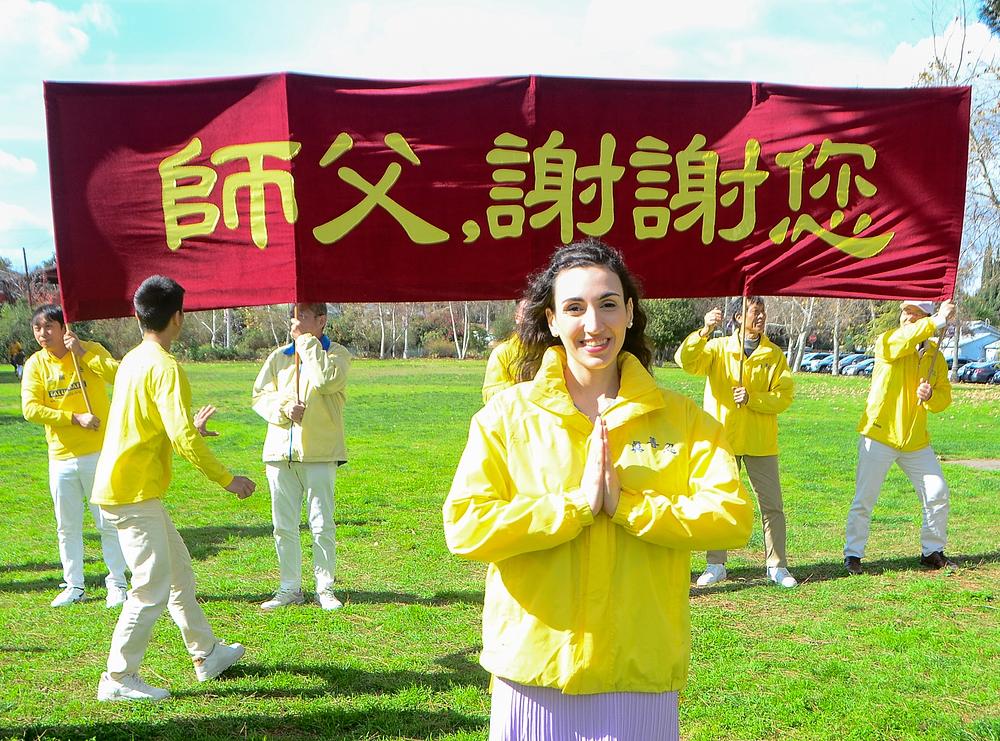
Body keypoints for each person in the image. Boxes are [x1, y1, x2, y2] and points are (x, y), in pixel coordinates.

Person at [443, 239, 752, 741]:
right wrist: (575, 506)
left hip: (639, 669)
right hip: (536, 669)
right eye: (574, 308)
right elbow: (466, 527)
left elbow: (731, 517)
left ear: (629, 313)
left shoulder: (684, 419)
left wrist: (627, 506)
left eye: (609, 304)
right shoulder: (505, 417)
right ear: (550, 321)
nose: (594, 324)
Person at [91, 276, 256, 702]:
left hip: (129, 489)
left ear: (138, 315)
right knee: (150, 588)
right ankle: (118, 677)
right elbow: (182, 437)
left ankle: (207, 655)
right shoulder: (165, 366)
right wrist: (228, 479)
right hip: (132, 493)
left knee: (179, 572)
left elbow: (160, 426)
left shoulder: (132, 360)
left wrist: (189, 430)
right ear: (179, 318)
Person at [675, 297, 798, 589]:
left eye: (763, 312)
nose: (761, 317)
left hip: (760, 442)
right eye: (755, 312)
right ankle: (715, 564)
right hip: (724, 439)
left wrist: (753, 398)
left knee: (772, 506)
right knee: (720, 500)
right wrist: (703, 330)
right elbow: (686, 361)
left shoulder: (773, 354)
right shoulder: (717, 349)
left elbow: (784, 395)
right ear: (738, 318)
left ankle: (777, 565)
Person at [20, 305, 129, 608]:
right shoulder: (35, 364)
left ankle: (117, 583)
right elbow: (30, 408)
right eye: (37, 328)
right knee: (66, 525)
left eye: (49, 327)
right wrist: (73, 417)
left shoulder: (89, 349)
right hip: (61, 457)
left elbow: (120, 376)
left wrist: (82, 353)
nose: (43, 334)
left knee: (106, 520)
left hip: (98, 452)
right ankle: (74, 585)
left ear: (63, 326)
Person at [844, 299, 957, 575]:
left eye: (915, 313)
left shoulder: (935, 356)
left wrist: (932, 397)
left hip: (915, 440)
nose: (908, 317)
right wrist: (937, 321)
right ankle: (853, 554)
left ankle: (932, 550)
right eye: (905, 312)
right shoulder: (888, 341)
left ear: (924, 317)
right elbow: (906, 338)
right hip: (879, 434)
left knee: (937, 492)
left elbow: (944, 398)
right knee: (865, 498)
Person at [252, 303, 350, 611]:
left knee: (321, 524)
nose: (295, 322)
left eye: (303, 315)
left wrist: (307, 342)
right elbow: (259, 396)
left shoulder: (338, 355)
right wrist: (283, 407)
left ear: (321, 320)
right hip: (280, 453)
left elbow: (325, 381)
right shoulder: (278, 357)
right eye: (293, 315)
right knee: (283, 525)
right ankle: (289, 587)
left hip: (320, 453)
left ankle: (325, 588)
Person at [481, 300, 526, 403]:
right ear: (517, 317)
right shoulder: (502, 353)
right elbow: (488, 396)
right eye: (528, 312)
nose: (533, 319)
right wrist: (519, 384)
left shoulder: (555, 350)